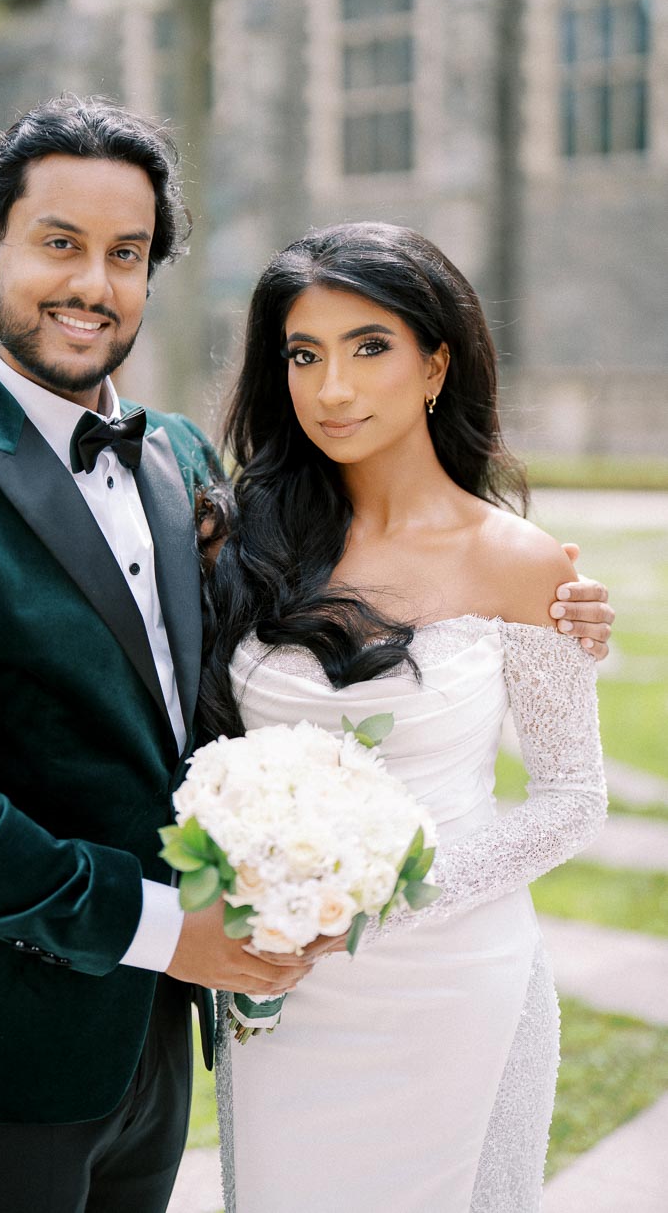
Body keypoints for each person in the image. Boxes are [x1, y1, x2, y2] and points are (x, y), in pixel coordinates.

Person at [0, 96, 318, 1213]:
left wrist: (530, 590)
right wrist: (165, 932)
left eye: (125, 255)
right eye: (60, 244)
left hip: (149, 1037)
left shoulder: (179, 454)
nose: (93, 284)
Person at [199, 222, 609, 1212]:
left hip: (456, 984)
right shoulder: (231, 537)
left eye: (368, 348)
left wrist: (368, 909)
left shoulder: (522, 561)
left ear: (435, 363)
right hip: (277, 990)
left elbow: (570, 798)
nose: (332, 388)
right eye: (305, 355)